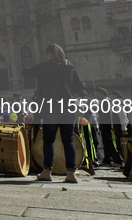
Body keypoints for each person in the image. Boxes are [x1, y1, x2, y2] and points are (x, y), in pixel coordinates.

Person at [21, 43, 86, 183]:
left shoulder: (44, 67)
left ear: (50, 55)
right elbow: (81, 86)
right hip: (69, 107)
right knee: (68, 140)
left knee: (49, 139)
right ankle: (71, 174)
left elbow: (25, 73)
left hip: (52, 107)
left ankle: (47, 172)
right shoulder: (69, 67)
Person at [94, 87, 121, 166]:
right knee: (106, 144)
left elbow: (111, 114)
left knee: (112, 143)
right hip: (103, 126)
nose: (96, 96)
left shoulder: (108, 102)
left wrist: (112, 125)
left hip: (109, 126)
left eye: (98, 94)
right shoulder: (100, 102)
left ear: (103, 94)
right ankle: (107, 160)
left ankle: (117, 160)